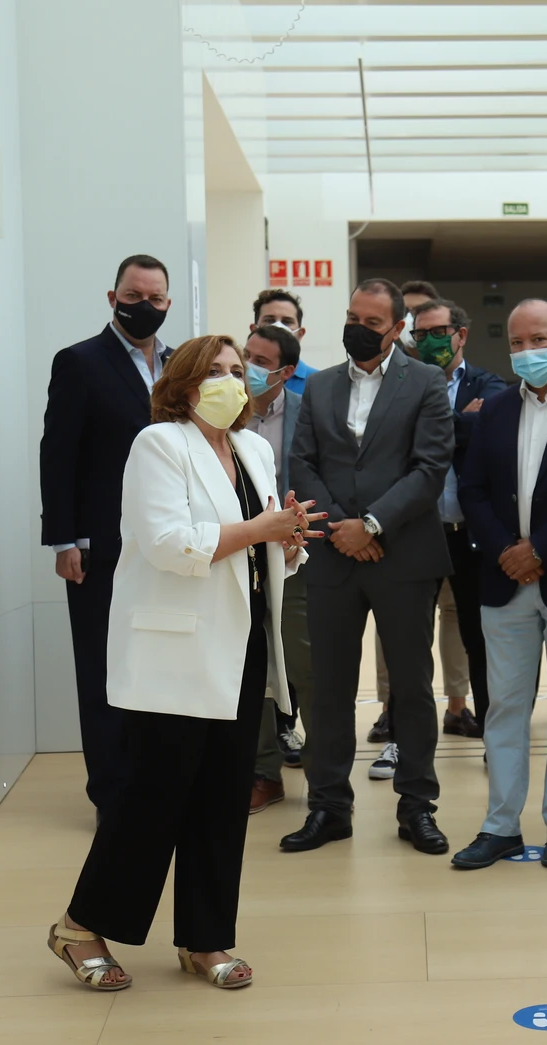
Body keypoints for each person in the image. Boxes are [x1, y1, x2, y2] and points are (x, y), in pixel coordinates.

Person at [47, 335, 320, 994]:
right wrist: (264, 531)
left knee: (223, 797)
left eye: (238, 371)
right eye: (216, 371)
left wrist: (287, 546)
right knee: (153, 795)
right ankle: (81, 925)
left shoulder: (253, 448)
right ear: (184, 383)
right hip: (174, 646)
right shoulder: (159, 445)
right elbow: (171, 544)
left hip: (241, 640)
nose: (231, 381)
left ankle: (204, 937)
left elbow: (259, 545)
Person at [281, 279, 456, 855]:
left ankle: (417, 807)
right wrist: (341, 529)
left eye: (372, 321)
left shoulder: (427, 383)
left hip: (403, 556)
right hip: (333, 556)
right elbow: (301, 462)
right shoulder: (323, 385)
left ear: (397, 329)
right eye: (353, 316)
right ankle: (329, 807)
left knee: (411, 686)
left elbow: (429, 469)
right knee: (327, 687)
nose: (358, 327)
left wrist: (373, 525)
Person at [452, 299, 547, 870]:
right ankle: (500, 826)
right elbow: (471, 490)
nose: (527, 352)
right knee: (506, 707)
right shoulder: (493, 410)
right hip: (503, 581)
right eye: (517, 343)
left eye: (538, 339)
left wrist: (541, 548)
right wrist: (506, 551)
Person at [39, 254, 176, 815]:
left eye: (156, 298)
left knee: (158, 667)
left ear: (168, 303)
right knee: (101, 670)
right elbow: (58, 453)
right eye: (133, 294)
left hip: (168, 543)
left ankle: (153, 785)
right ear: (112, 296)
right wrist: (63, 540)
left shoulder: (179, 365)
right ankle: (111, 795)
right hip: (100, 547)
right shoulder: (80, 362)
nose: (144, 306)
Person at [369, 299, 507, 768]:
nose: (427, 340)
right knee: (408, 645)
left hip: (470, 536)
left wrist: (434, 428)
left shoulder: (487, 384)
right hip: (414, 535)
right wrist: (459, 422)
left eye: (437, 331)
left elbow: (489, 429)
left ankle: (494, 739)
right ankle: (402, 742)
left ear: (461, 334)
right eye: (419, 333)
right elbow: (391, 445)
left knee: (480, 641)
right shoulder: (398, 385)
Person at [243, 322, 309, 813]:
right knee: (255, 660)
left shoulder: (311, 413)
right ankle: (263, 772)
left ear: (286, 372)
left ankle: (316, 761)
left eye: (261, 362)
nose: (248, 369)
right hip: (241, 553)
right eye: (247, 356)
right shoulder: (221, 417)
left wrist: (296, 534)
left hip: (299, 556)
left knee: (302, 663)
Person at [252, 289, 317, 394]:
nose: (278, 327)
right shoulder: (239, 378)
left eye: (287, 322)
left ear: (300, 334)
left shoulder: (318, 383)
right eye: (269, 320)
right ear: (254, 329)